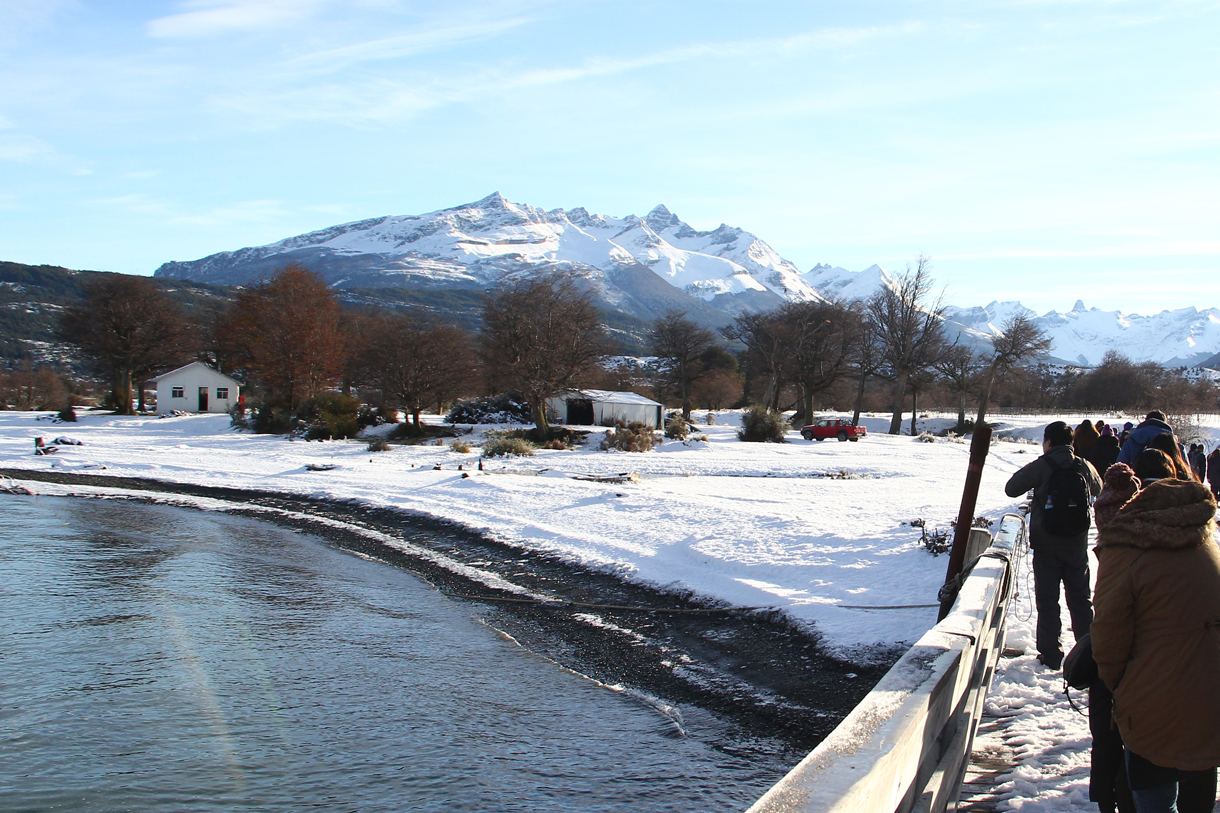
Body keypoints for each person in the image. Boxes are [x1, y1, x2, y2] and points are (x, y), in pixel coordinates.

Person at [1091, 475, 1220, 813]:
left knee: (1153, 798)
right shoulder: (1206, 542)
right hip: (1210, 697)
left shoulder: (1124, 549)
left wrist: (1120, 686)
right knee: (1200, 777)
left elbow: (1107, 637)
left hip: (1151, 701)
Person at [1005, 420, 1102, 669]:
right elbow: (1099, 488)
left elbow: (1012, 488)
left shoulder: (1043, 464)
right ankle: (1088, 651)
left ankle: (1050, 653)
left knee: (1048, 600)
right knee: (1081, 598)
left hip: (1046, 544)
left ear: (1048, 442)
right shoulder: (1083, 465)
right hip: (1076, 544)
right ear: (1071, 443)